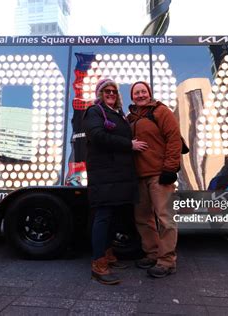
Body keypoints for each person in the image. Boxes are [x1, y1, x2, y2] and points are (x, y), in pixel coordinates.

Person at [83, 78, 148, 285]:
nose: (111, 93)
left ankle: (108, 255)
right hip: (104, 175)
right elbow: (97, 136)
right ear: (100, 94)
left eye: (113, 91)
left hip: (118, 176)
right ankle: (98, 264)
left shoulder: (117, 114)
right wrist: (128, 144)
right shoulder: (94, 111)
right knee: (102, 216)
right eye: (106, 91)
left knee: (112, 217)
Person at [127, 81, 182, 278]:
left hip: (159, 174)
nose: (140, 95)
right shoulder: (130, 118)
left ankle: (167, 261)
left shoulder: (160, 111)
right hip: (138, 177)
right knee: (143, 219)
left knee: (165, 218)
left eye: (143, 91)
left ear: (149, 93)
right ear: (132, 96)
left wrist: (169, 168)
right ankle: (152, 254)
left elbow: (174, 139)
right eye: (136, 92)